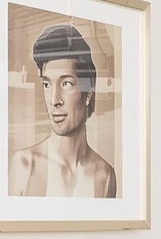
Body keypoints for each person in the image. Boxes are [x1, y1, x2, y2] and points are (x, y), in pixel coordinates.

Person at [8, 23, 116, 198]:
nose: (54, 100)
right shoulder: (25, 165)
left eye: (66, 83)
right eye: (47, 84)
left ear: (88, 92)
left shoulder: (105, 175)